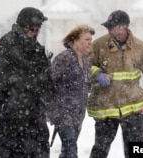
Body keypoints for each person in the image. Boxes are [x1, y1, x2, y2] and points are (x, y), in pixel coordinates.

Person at [88, 10, 143, 158]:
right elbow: (85, 66)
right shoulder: (98, 45)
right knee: (100, 150)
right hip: (106, 107)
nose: (109, 30)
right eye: (108, 27)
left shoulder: (140, 47)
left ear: (124, 27)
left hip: (133, 108)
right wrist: (97, 73)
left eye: (112, 26)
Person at [0, 7, 54, 158]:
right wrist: (30, 82)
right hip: (13, 112)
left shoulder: (36, 47)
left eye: (38, 29)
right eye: (33, 28)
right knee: (15, 151)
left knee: (40, 150)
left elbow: (45, 77)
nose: (36, 32)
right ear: (25, 26)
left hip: (35, 111)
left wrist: (47, 90)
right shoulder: (8, 43)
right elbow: (1, 79)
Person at [49, 24, 95, 158]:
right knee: (71, 149)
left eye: (91, 40)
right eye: (87, 39)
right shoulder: (64, 58)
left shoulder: (86, 60)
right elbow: (48, 82)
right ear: (75, 40)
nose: (90, 42)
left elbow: (86, 84)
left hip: (78, 113)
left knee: (67, 150)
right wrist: (47, 108)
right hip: (63, 111)